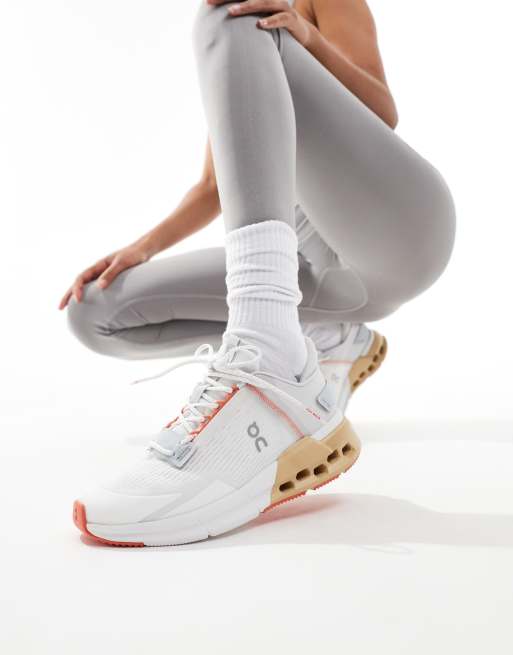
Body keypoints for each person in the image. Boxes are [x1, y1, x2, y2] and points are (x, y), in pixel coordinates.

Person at [64, 0, 455, 547]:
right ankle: (322, 340)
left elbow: (382, 113)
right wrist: (141, 247)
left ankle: (272, 352)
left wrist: (306, 40)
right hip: (306, 277)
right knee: (95, 310)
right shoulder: (242, 43)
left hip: (397, 235)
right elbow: (212, 188)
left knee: (231, 15)